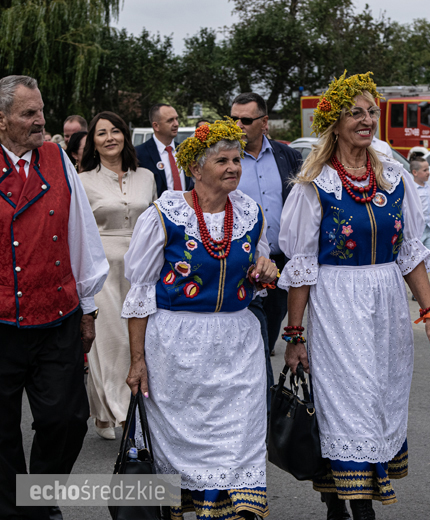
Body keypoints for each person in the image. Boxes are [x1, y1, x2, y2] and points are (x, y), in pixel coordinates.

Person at [278, 71, 430, 520]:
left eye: (372, 111)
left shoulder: (394, 177)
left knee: (378, 395)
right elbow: (302, 267)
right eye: (355, 112)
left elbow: (410, 253)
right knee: (347, 398)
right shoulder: (315, 184)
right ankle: (361, 505)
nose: (366, 120)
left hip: (387, 301)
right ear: (334, 123)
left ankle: (337, 494)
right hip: (337, 301)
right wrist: (295, 335)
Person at [123, 118, 277, 520]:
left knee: (241, 436)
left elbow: (258, 267)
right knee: (178, 441)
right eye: (222, 161)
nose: (233, 167)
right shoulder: (165, 214)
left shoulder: (250, 213)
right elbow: (140, 293)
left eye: (236, 160)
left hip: (237, 341)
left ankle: (237, 509)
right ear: (196, 168)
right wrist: (137, 360)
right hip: (177, 345)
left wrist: (266, 269)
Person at [0, 75, 108, 520]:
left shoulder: (57, 158)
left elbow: (81, 232)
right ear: (1, 119)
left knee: (66, 420)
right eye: (28, 113)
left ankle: (38, 498)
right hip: (2, 321)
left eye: (41, 110)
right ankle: (17, 510)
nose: (40, 120)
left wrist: (88, 308)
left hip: (58, 315)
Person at [79, 111, 157, 441]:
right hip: (102, 272)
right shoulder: (82, 180)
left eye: (115, 131)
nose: (110, 137)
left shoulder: (147, 176)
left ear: (125, 135)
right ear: (93, 143)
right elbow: (78, 230)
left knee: (139, 343)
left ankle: (106, 414)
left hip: (142, 270)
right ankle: (127, 419)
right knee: (112, 344)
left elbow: (156, 222)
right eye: (101, 133)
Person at [231, 93, 302, 377]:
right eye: (233, 119)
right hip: (242, 264)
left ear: (264, 123)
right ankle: (259, 391)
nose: (238, 125)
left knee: (271, 326)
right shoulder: (225, 159)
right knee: (252, 336)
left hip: (282, 261)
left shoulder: (288, 156)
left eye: (246, 120)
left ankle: (261, 384)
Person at [135, 103, 193, 197]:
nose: (176, 124)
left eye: (176, 119)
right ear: (156, 126)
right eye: (170, 120)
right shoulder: (140, 154)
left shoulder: (185, 151)